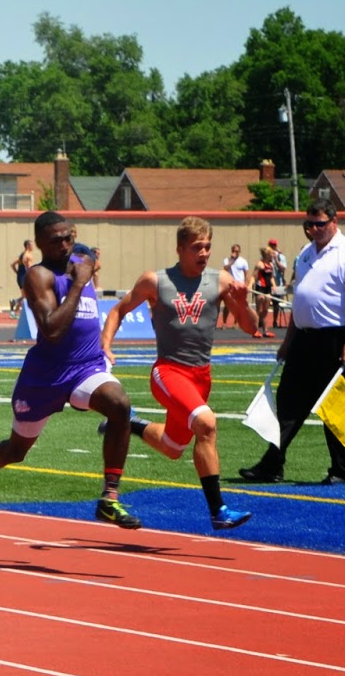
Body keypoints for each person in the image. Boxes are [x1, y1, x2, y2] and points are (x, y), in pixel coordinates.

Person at [0, 210, 142, 528]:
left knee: (120, 404)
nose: (63, 245)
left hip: (86, 367)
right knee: (17, 450)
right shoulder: (39, 276)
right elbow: (51, 330)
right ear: (40, 244)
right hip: (46, 377)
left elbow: (86, 255)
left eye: (68, 237)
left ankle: (110, 497)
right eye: (55, 240)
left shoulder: (80, 258)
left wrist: (84, 266)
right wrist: (78, 285)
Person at [102, 216, 258, 531]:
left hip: (202, 375)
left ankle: (128, 422)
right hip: (168, 371)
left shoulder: (222, 281)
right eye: (196, 247)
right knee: (206, 422)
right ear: (180, 248)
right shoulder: (156, 281)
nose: (204, 253)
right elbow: (118, 310)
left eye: (208, 247)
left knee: (174, 447)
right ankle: (218, 510)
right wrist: (105, 346)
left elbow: (251, 327)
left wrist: (243, 305)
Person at [239, 200, 345, 486]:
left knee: (334, 405)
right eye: (308, 225)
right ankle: (272, 464)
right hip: (303, 339)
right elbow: (301, 301)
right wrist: (288, 341)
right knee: (288, 403)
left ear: (334, 221)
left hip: (335, 338)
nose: (313, 229)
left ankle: (341, 470)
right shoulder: (306, 253)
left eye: (319, 224)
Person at [219, 243, 249, 327]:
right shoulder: (227, 260)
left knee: (238, 305)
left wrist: (246, 285)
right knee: (227, 305)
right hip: (230, 285)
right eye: (233, 251)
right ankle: (224, 323)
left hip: (240, 285)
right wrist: (232, 261)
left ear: (239, 252)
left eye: (237, 251)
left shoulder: (243, 261)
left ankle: (236, 323)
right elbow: (225, 268)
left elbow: (247, 274)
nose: (235, 253)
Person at [251, 246, 276, 338]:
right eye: (272, 253)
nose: (273, 255)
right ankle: (255, 330)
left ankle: (265, 331)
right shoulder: (260, 264)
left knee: (265, 311)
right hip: (260, 288)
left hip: (268, 289)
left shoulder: (271, 265)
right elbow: (254, 276)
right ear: (267, 254)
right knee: (259, 310)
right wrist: (249, 285)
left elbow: (271, 277)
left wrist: (274, 285)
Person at [10, 239, 34, 317]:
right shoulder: (28, 255)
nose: (33, 246)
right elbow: (29, 268)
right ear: (27, 246)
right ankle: (15, 304)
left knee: (26, 296)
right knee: (26, 296)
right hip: (24, 277)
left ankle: (15, 306)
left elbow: (12, 264)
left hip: (21, 276)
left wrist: (17, 272)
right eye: (31, 245)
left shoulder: (22, 255)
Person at [269, 238, 289, 328]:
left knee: (276, 303)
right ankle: (261, 321)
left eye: (274, 246)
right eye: (271, 245)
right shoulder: (266, 256)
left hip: (278, 283)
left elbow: (283, 269)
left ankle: (275, 321)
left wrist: (276, 259)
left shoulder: (281, 257)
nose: (272, 247)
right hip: (268, 282)